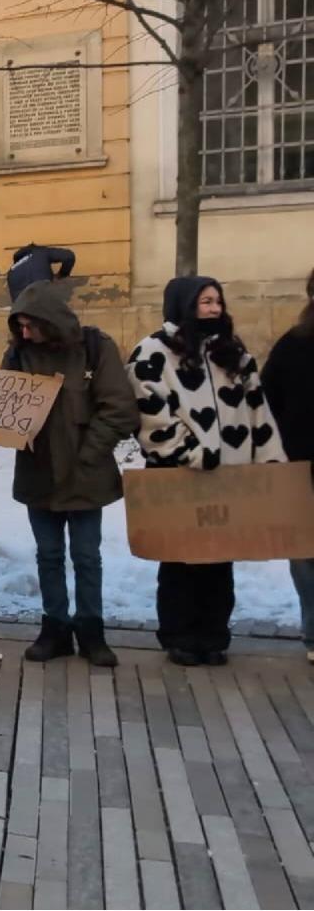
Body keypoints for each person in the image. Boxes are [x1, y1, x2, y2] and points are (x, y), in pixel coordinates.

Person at [127, 276, 286, 666]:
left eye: (218, 301)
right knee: (180, 559)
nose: (215, 309)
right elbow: (150, 413)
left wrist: (269, 465)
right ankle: (179, 635)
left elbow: (256, 411)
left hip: (228, 478)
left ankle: (214, 635)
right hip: (176, 477)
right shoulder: (152, 352)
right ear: (184, 305)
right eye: (206, 302)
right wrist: (191, 453)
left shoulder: (233, 353)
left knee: (220, 560)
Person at [6, 281, 138, 666]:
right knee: (48, 555)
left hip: (86, 474)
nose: (24, 333)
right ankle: (55, 629)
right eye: (21, 326)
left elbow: (119, 408)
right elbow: (3, 407)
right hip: (38, 472)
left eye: (30, 325)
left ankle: (91, 630)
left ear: (51, 320)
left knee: (86, 555)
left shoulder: (95, 349)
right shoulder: (18, 355)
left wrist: (89, 454)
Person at [262, 268, 314, 664]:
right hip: (301, 469)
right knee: (306, 555)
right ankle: (313, 633)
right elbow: (267, 404)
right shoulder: (292, 346)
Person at [8, 243, 75, 302]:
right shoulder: (39, 252)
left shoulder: (11, 271)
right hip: (43, 294)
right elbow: (69, 256)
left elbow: (16, 302)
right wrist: (61, 276)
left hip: (25, 306)